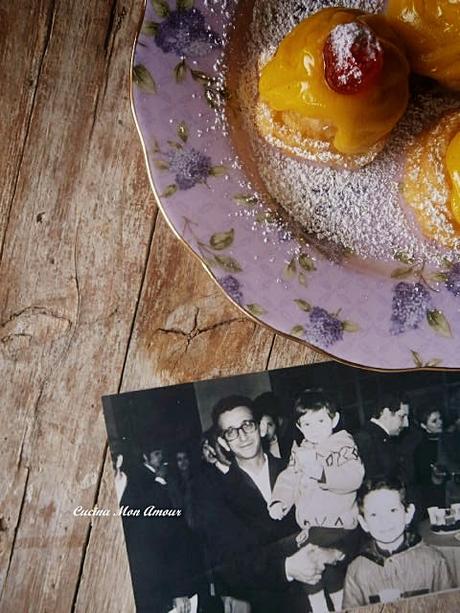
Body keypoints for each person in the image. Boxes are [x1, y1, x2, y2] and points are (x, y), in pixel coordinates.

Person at [202, 395, 345, 613]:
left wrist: (334, 551)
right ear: (223, 442)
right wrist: (286, 568)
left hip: (325, 592)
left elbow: (342, 514)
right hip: (272, 604)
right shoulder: (216, 495)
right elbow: (227, 566)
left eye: (246, 425)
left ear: (260, 428)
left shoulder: (298, 469)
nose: (241, 436)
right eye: (231, 431)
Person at [268, 389, 364, 612]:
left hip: (337, 524)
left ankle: (332, 605)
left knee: (307, 552)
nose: (315, 429)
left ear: (334, 419)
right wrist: (279, 501)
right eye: (307, 424)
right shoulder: (300, 450)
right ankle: (326, 604)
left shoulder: (343, 444)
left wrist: (322, 473)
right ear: (300, 427)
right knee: (319, 566)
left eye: (321, 420)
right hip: (314, 526)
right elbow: (288, 477)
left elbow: (354, 477)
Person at [343, 477, 454, 608]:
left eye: (392, 510)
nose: (384, 521)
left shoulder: (433, 561)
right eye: (374, 514)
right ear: (363, 523)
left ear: (408, 513)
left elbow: (450, 606)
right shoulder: (357, 571)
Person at [120, 444, 202, 613]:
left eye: (161, 453)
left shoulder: (167, 473)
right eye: (156, 454)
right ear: (145, 456)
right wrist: (159, 481)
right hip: (161, 570)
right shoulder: (137, 479)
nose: (161, 458)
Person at [354, 393, 409, 480]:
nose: (406, 424)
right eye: (402, 417)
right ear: (386, 413)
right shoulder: (365, 438)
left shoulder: (380, 437)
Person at [413, 404, 446, 512]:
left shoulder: (449, 439)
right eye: (434, 421)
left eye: (440, 418)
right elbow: (423, 480)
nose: (440, 422)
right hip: (437, 498)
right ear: (423, 425)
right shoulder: (421, 449)